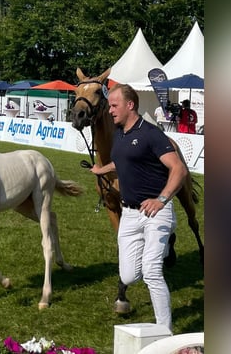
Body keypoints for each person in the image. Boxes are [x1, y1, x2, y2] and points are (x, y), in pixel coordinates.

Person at [91, 83, 188, 332]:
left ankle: (163, 332)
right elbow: (123, 159)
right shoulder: (120, 133)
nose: (110, 110)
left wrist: (161, 199)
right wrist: (102, 169)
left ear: (130, 105)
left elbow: (178, 169)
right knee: (128, 276)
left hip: (156, 211)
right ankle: (163, 247)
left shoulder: (151, 134)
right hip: (130, 215)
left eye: (114, 105)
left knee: (152, 272)